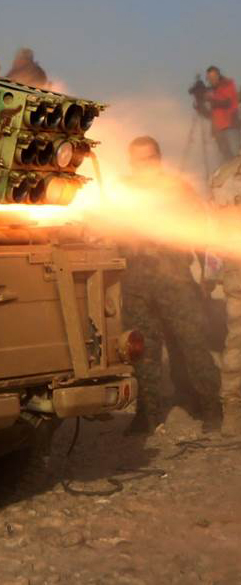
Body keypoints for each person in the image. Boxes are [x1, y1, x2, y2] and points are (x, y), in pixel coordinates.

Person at [120, 136, 222, 435]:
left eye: (150, 158)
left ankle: (210, 408)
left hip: (175, 280)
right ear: (131, 162)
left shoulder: (178, 190)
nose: (145, 164)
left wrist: (208, 274)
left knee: (192, 343)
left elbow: (202, 233)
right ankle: (147, 414)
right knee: (142, 350)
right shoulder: (121, 192)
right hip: (136, 283)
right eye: (139, 160)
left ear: (159, 158)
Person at [209, 155, 241, 435]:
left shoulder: (223, 175)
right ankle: (232, 411)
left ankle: (232, 412)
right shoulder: (225, 176)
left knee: (236, 342)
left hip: (235, 269)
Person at [204, 66, 240, 162]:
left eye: (213, 76)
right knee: (227, 159)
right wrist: (200, 107)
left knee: (236, 156)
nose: (212, 79)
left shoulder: (226, 84)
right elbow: (210, 114)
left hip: (230, 125)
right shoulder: (212, 90)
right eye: (209, 78)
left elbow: (228, 102)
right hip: (219, 130)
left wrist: (211, 99)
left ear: (218, 75)